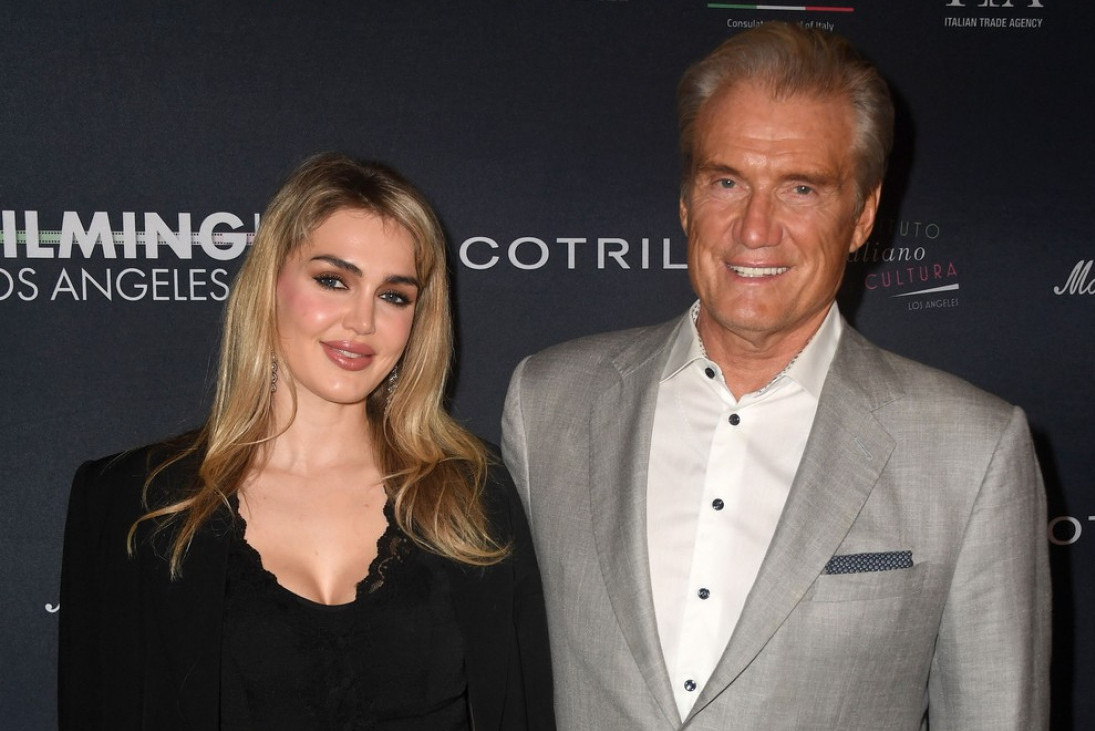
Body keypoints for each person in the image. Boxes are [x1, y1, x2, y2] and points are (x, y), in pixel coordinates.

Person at [502, 22, 1049, 731]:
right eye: (726, 181)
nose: (754, 228)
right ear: (685, 200)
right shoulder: (548, 401)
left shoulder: (972, 450)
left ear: (862, 215)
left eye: (800, 188)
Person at [59, 153, 555, 730]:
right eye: (333, 281)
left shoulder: (470, 493)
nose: (362, 321)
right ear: (270, 284)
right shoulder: (134, 501)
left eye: (394, 295)